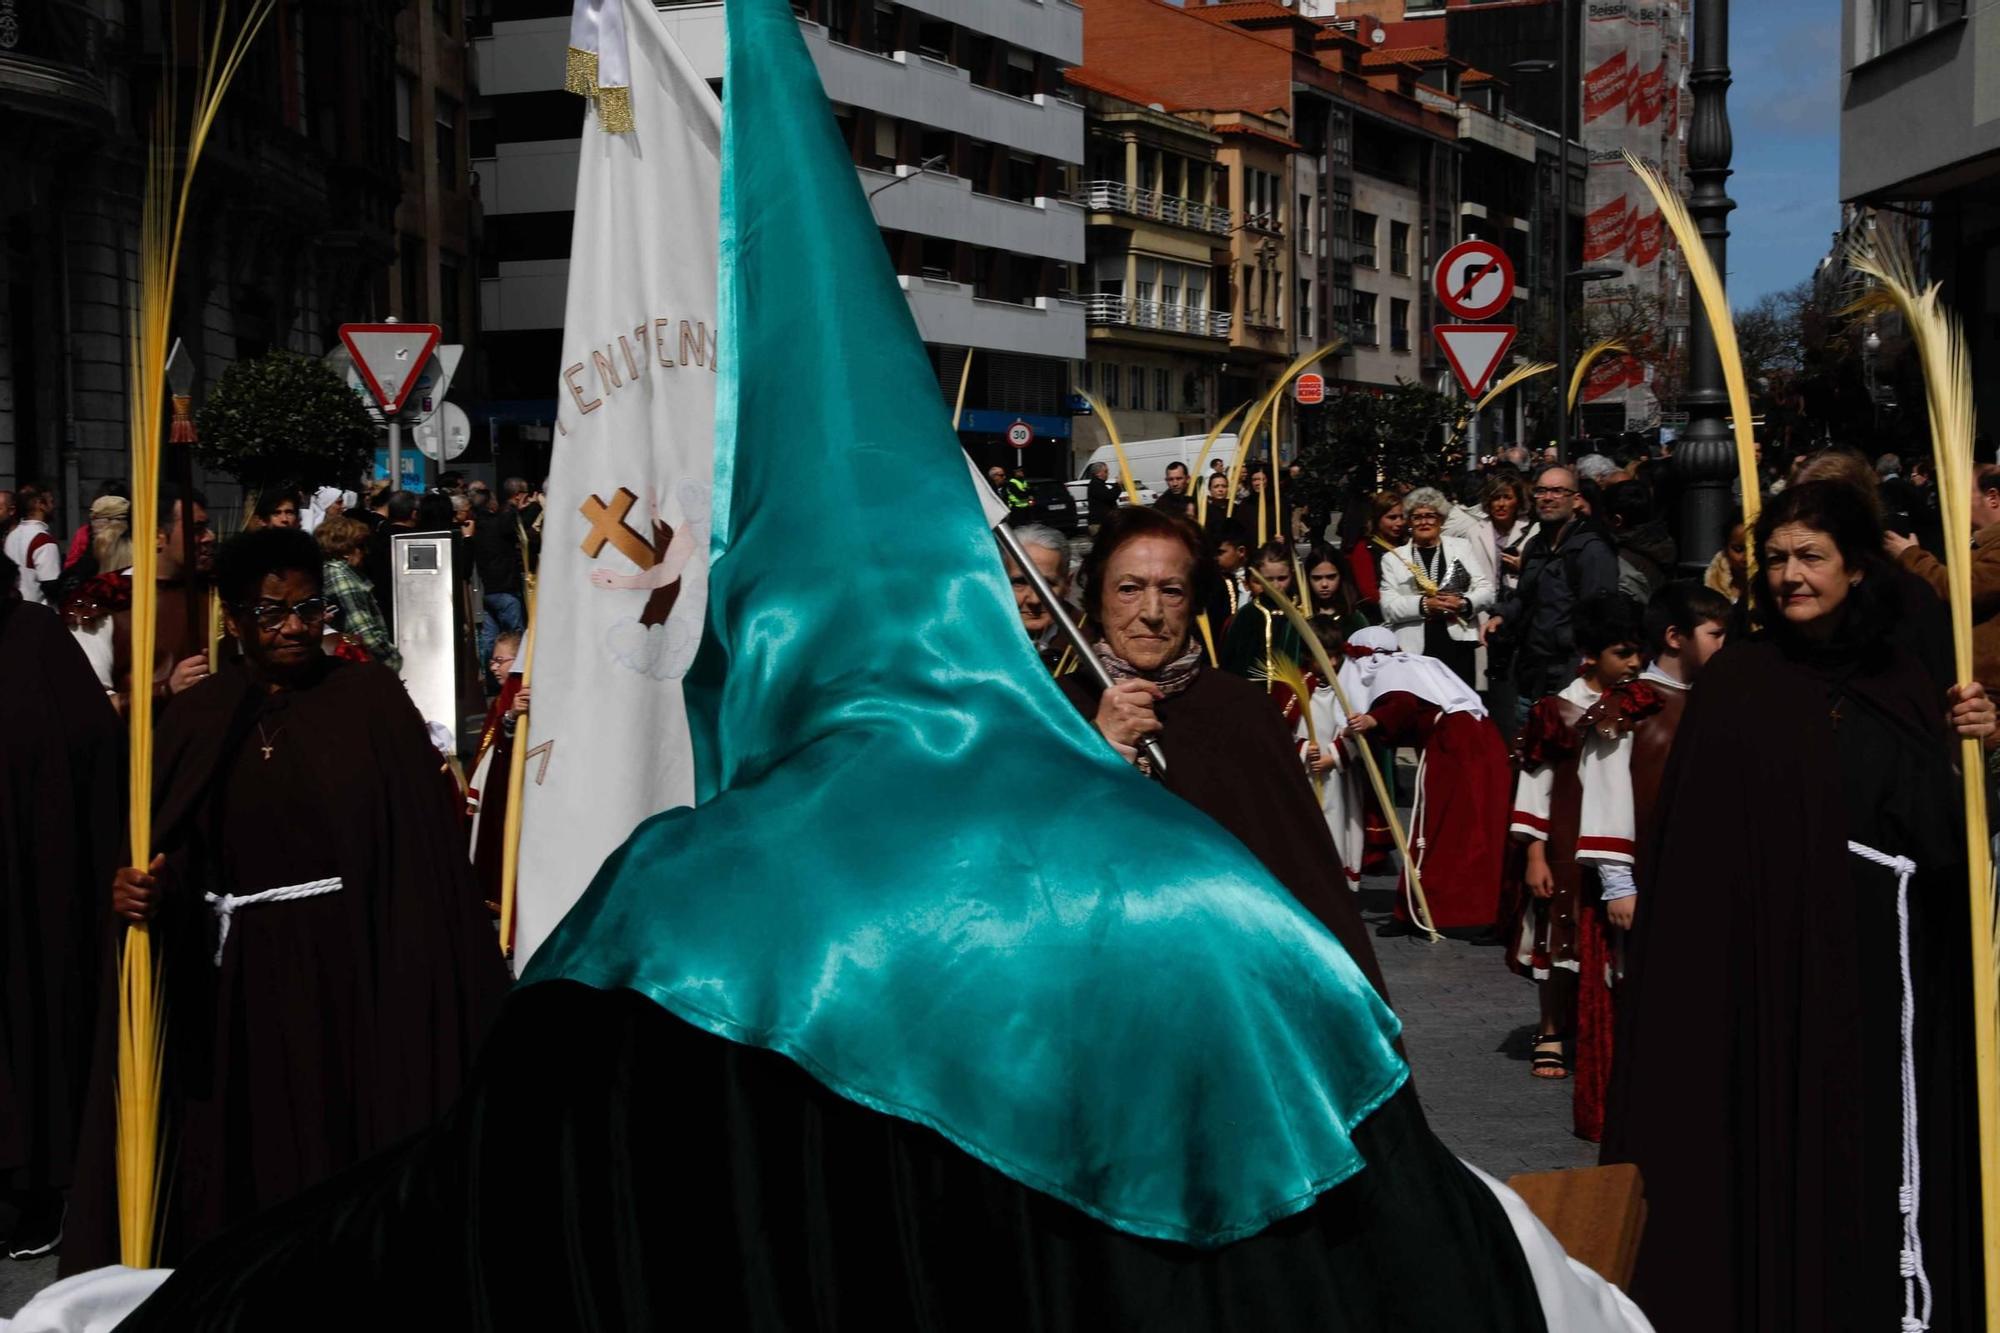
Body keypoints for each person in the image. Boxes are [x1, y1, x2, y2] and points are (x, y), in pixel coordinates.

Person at [64, 527, 510, 1273]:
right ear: (234, 618)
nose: (296, 628)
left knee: (334, 1139)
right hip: (229, 981)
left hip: (342, 966)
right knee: (240, 1148)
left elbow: (417, 854)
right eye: (272, 613)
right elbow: (172, 849)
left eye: (308, 608)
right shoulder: (201, 715)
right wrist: (144, 888)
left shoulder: (367, 699)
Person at [1604, 481, 1994, 1330]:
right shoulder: (1741, 679)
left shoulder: (1906, 677)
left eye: (1810, 556)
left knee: (1873, 1154)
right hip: (1767, 968)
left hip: (1885, 978)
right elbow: (1697, 850)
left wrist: (1977, 748)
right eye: (1776, 558)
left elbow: (1946, 836)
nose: (1789, 575)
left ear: (1855, 567)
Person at [1058, 506, 1388, 1000]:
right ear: (1098, 598)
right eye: (1129, 588)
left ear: (1193, 602)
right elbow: (1026, 859)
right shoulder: (1052, 708)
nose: (1150, 611)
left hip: (1220, 993)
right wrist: (1101, 748)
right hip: (1088, 986)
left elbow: (1302, 880)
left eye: (1170, 590)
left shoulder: (1241, 713)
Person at [1568, 582, 1730, 1142]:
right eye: (1716, 634)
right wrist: (1618, 882)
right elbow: (1608, 788)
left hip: (1697, 873)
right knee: (1638, 994)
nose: (1725, 645)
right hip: (1644, 876)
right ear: (1674, 637)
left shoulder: (1715, 700)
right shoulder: (1632, 705)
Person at [0, 553, 123, 1260]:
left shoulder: (37, 638)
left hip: (34, 890)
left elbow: (91, 752)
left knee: (33, 1028)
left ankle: (37, 1190)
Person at [1505, 594, 1648, 1081]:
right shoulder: (1557, 709)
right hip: (1565, 839)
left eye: (1637, 652)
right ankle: (1549, 1030)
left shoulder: (1643, 703)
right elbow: (1535, 779)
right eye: (1622, 652)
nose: (1633, 663)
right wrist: (1536, 854)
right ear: (1592, 654)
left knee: (1612, 942)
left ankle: (1606, 1029)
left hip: (1622, 839)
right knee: (1556, 937)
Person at [1340, 626, 1510, 937]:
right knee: (1474, 825)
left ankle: (1423, 910)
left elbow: (1401, 706)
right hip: (1480, 740)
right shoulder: (1418, 665)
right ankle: (1436, 908)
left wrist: (1372, 720)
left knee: (1432, 826)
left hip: (1453, 746)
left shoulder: (1391, 671)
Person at [1487, 464, 1620, 726]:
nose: (1548, 498)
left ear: (1576, 499)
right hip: (1530, 673)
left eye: (1558, 491)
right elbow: (1524, 597)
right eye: (1541, 491)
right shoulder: (1536, 545)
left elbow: (1600, 620)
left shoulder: (1592, 550)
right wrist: (1501, 617)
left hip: (1569, 678)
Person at [62, 485, 215, 712]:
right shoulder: (107, 596)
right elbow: (87, 705)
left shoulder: (217, 593)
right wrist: (165, 690)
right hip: (143, 744)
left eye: (207, 527)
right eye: (197, 529)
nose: (210, 537)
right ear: (157, 536)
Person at [1887, 461, 2000, 694]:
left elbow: (1962, 589)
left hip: (1988, 697)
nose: (1951, 502)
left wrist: (1910, 555)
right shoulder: (1978, 543)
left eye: (1960, 493)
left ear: (1992, 498)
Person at [1379, 487, 1494, 690]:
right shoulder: (1393, 559)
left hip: (1457, 648)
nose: (1424, 522)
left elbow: (1486, 591)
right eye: (1417, 517)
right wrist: (1424, 605)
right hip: (1414, 651)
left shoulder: (1461, 547)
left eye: (1430, 516)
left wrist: (1463, 603)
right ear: (1409, 522)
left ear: (1440, 519)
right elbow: (1388, 607)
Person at [1219, 540, 1308, 686]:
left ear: (1291, 574)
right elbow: (1232, 666)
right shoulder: (1247, 615)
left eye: (1282, 578)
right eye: (1269, 579)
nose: (1276, 586)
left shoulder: (1304, 611)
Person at [317, 514, 400, 671]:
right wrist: (393, 660)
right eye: (360, 546)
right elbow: (365, 633)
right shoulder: (342, 578)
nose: (365, 551)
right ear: (345, 549)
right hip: (365, 666)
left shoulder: (330, 571)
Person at [1001, 523, 1076, 670]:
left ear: (1067, 584)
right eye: (1020, 583)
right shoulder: (978, 641)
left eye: (1047, 584)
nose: (1034, 600)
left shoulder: (1092, 643)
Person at [1345, 490, 1406, 611]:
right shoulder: (1364, 549)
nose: (1399, 523)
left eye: (1402, 517)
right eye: (1392, 517)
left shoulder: (1407, 543)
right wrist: (1408, 603)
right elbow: (1370, 594)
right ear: (1377, 519)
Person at [4, 481, 62, 604]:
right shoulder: (43, 540)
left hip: (13, 612)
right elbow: (51, 587)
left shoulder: (11, 535)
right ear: (40, 504)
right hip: (37, 614)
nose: (53, 507)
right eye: (51, 501)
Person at [1302, 543, 1367, 638]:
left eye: (1331, 577)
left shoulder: (1354, 618)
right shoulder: (1300, 615)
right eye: (1317, 578)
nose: (1324, 584)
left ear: (1341, 576)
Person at [1702, 518, 1749, 604]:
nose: (1746, 558)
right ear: (1725, 548)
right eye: (1738, 549)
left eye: (1753, 550)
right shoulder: (1706, 591)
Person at [1083, 460, 1119, 532]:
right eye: (1105, 471)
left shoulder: (1099, 484)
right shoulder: (1095, 485)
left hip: (1103, 523)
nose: (1108, 473)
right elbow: (1110, 496)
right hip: (1098, 524)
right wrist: (1118, 485)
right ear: (1098, 473)